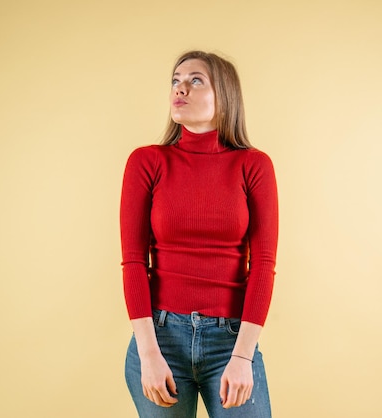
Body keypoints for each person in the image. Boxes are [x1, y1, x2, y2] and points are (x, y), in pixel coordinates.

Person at [119, 50, 278, 418]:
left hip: (232, 341)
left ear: (224, 96)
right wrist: (148, 354)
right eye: (176, 81)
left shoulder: (253, 166)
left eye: (195, 81)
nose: (180, 89)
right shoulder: (147, 162)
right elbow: (132, 261)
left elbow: (263, 264)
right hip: (160, 340)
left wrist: (242, 356)